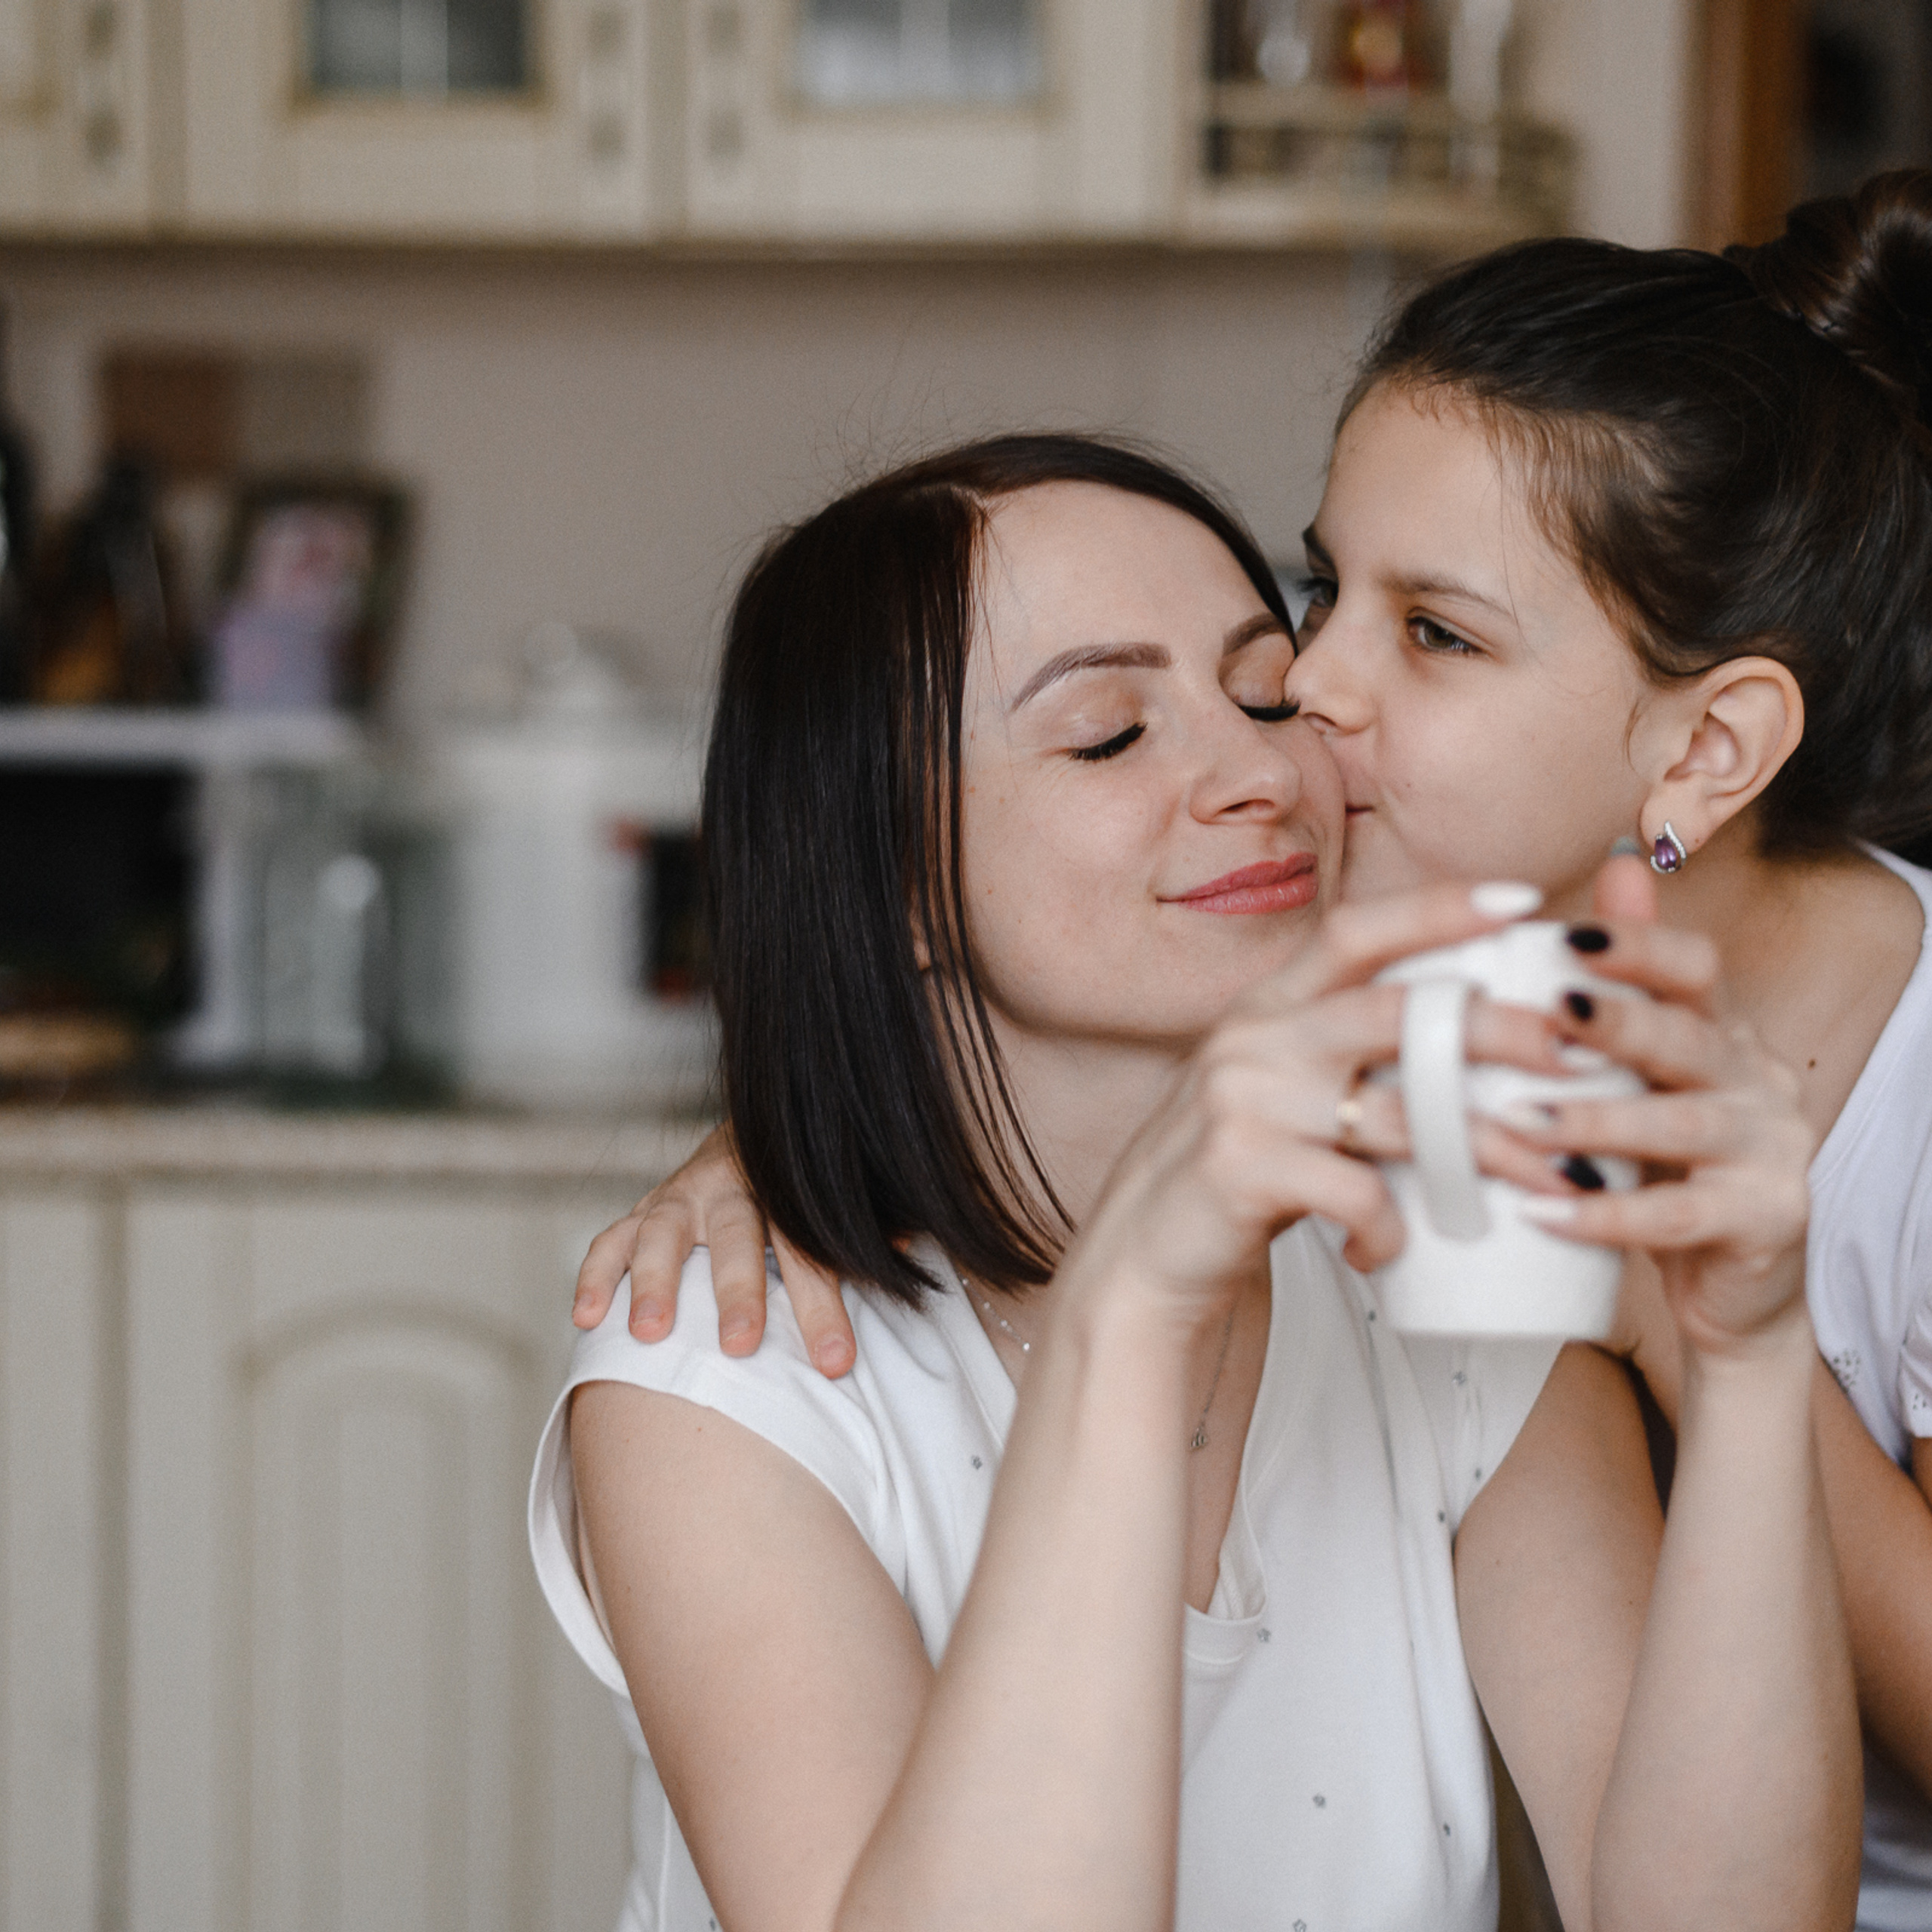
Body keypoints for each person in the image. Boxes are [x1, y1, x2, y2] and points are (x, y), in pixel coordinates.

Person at [574, 173, 1932, 1927]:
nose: (1288, 735)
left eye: (1251, 676)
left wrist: (1736, 1367)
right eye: (1111, 730)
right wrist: (835, 1157)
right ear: (885, 871)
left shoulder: (1442, 1268)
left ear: (1710, 747)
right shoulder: (731, 1372)